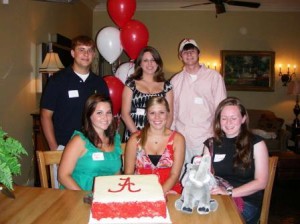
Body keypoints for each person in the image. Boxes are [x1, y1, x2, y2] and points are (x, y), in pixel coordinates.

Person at [205, 97, 269, 224]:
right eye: (224, 118)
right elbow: (206, 178)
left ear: (243, 119)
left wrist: (228, 193)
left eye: (233, 118)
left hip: (247, 202)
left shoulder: (256, 143)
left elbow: (261, 182)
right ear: (219, 120)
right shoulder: (211, 144)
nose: (228, 122)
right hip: (218, 199)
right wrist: (198, 170)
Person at [40, 35, 109, 151]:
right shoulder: (57, 81)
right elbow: (45, 116)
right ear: (73, 53)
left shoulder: (99, 83)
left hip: (93, 147)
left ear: (94, 55)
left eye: (90, 50)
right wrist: (54, 148)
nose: (86, 54)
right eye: (81, 50)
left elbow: (106, 116)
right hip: (64, 147)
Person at [171, 38, 227, 167]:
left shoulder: (214, 78)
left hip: (205, 139)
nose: (189, 54)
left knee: (204, 180)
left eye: (192, 51)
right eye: (185, 52)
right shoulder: (175, 81)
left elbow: (221, 109)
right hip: (181, 140)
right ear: (180, 56)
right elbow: (172, 112)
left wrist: (219, 136)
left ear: (198, 53)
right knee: (181, 178)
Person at [58, 94, 122, 191]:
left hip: (105, 197)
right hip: (77, 197)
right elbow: (63, 176)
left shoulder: (115, 140)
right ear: (89, 115)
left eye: (108, 112)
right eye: (99, 113)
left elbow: (116, 174)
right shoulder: (79, 141)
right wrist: (86, 197)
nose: (105, 117)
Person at [124, 96, 185, 195]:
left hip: (169, 191)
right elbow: (128, 174)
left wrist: (157, 194)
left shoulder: (178, 139)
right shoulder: (135, 139)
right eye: (152, 113)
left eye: (161, 112)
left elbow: (175, 175)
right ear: (146, 114)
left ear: (168, 114)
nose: (157, 117)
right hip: (140, 191)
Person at [121, 46, 173, 142]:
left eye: (153, 60)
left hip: (158, 137)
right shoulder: (131, 84)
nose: (150, 64)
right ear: (140, 63)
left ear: (158, 63)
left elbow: (169, 115)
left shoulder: (167, 86)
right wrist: (138, 137)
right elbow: (125, 114)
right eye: (145, 60)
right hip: (134, 135)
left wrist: (162, 136)